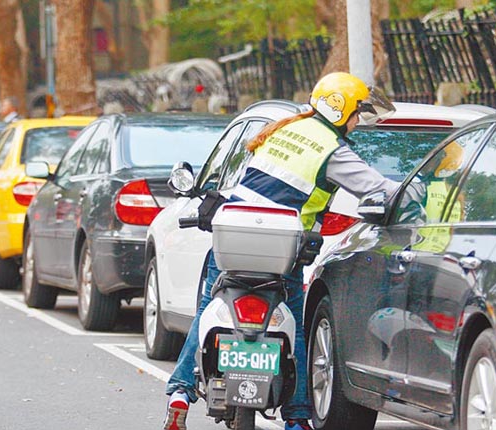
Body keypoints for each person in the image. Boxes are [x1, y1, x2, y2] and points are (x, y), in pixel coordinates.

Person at [163, 72, 400, 430]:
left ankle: (181, 391)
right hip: (279, 249)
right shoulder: (332, 150)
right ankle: (297, 417)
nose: (357, 122)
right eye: (357, 114)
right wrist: (419, 192)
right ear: (343, 112)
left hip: (232, 235)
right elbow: (376, 187)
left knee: (210, 309)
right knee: (294, 326)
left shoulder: (282, 129)